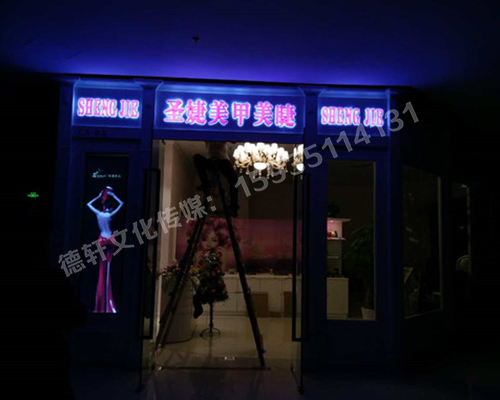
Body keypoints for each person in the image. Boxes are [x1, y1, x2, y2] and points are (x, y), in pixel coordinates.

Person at [87, 186, 124, 313]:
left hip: (101, 239)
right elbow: (122, 203)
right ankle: (108, 304)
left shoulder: (99, 214)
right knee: (107, 268)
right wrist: (114, 196)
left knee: (102, 270)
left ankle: (101, 304)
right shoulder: (109, 214)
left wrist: (97, 197)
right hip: (110, 239)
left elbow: (88, 204)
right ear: (110, 207)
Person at [193, 141, 239, 216]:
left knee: (234, 181)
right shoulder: (208, 135)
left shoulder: (221, 134)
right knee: (196, 157)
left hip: (222, 160)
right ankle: (206, 183)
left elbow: (233, 141)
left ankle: (233, 207)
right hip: (212, 161)